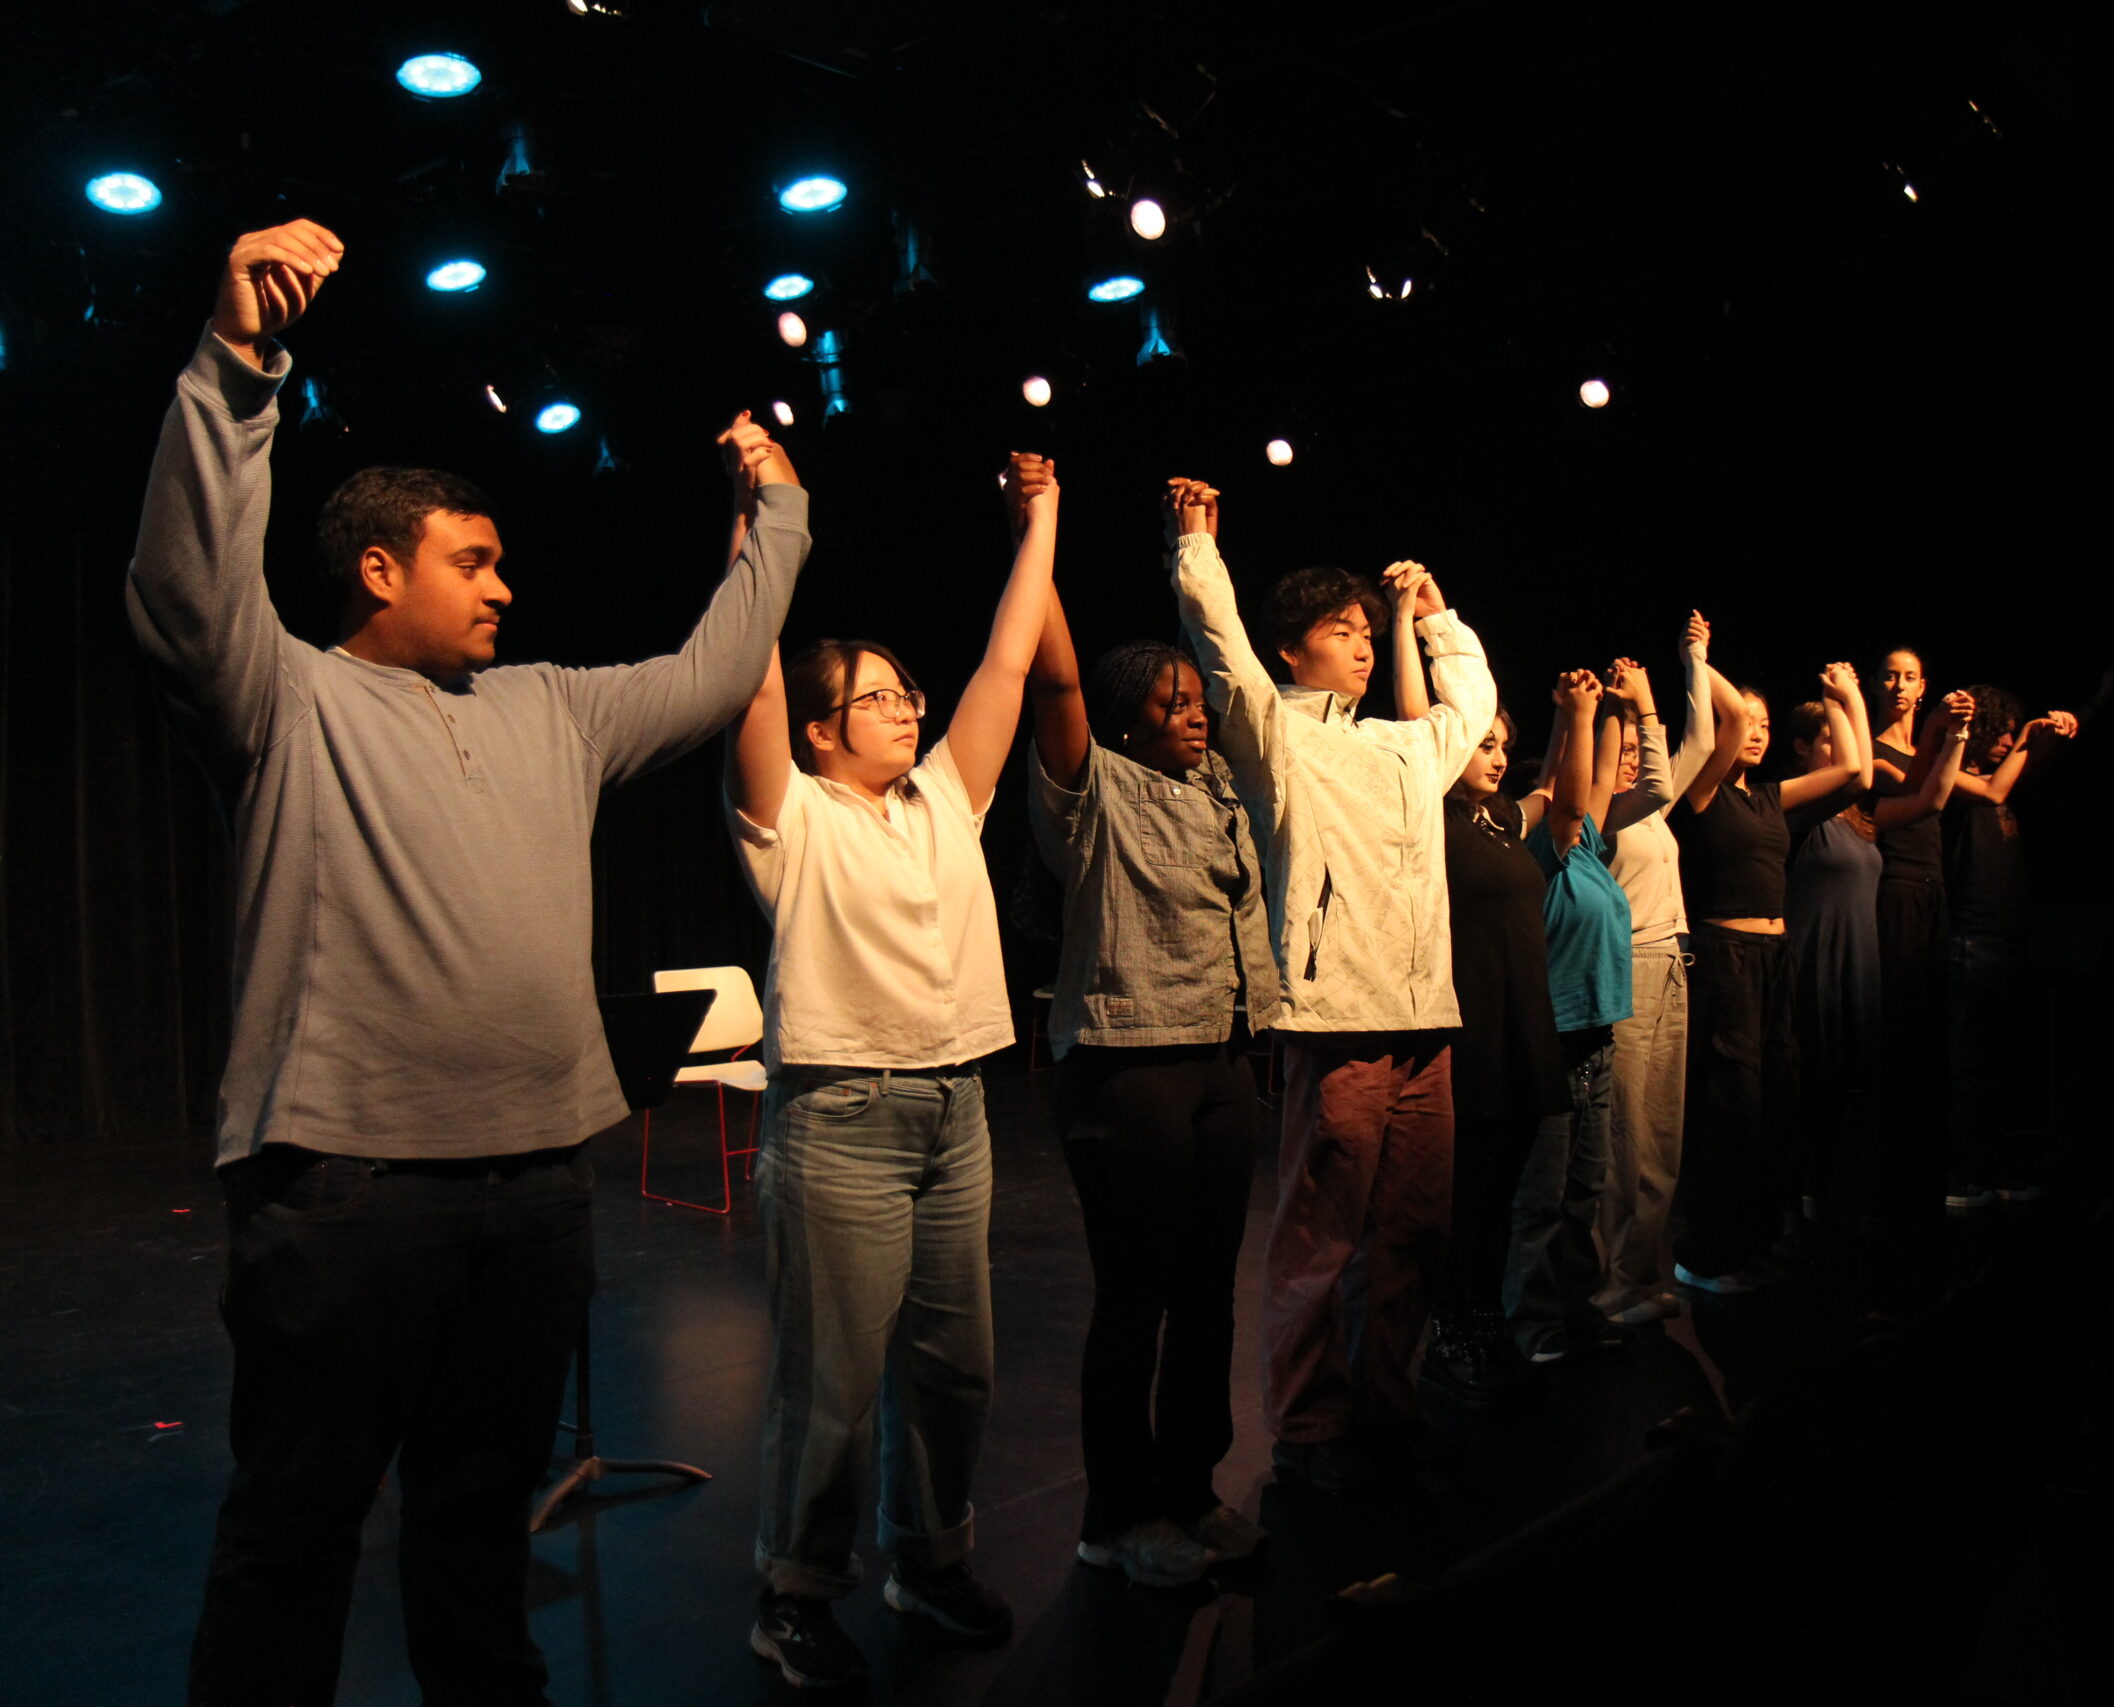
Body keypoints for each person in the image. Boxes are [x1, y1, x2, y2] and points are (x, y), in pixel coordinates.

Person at [129, 222, 811, 1707]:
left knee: (478, 1528)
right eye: (473, 561)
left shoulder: (552, 708)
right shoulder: (286, 696)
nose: (504, 586)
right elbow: (188, 589)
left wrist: (779, 512)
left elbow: (708, 673)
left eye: (502, 561)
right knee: (296, 1529)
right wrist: (240, 365)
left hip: (536, 1185)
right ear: (378, 567)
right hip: (343, 1192)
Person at [722, 452, 1057, 1687]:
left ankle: (929, 1558)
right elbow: (746, 684)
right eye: (877, 699)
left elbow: (1006, 663)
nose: (909, 707)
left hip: (954, 1107)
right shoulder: (790, 815)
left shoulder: (943, 801)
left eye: (909, 691)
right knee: (834, 1387)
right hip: (840, 1120)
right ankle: (794, 1591)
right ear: (820, 731)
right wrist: (759, 521)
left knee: (954, 1368)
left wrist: (1042, 521)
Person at [1166, 476, 1497, 1490]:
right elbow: (1219, 649)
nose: (1359, 642)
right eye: (1338, 628)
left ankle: (1386, 1407)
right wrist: (1194, 548)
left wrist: (1435, 620)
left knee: (1408, 1234)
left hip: (1421, 1021)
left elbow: (1471, 707)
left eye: (1365, 628)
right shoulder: (1279, 740)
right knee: (1320, 1240)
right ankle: (1309, 1432)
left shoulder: (1402, 747)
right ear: (1291, 648)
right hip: (1335, 1019)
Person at [1019, 491, 1282, 1588]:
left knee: (1210, 1287)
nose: (1190, 713)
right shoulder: (1094, 789)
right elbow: (1059, 682)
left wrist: (1201, 555)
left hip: (1223, 1056)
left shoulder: (1221, 783)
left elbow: (1224, 678)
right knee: (1138, 1296)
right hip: (1128, 1067)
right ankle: (1115, 1516)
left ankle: (1189, 1487)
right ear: (1126, 717)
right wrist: (1037, 534)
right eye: (1167, 702)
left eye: (1192, 701)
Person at [1668, 650, 1871, 1295]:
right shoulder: (1702, 794)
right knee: (1730, 1106)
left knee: (1771, 1101)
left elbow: (1855, 770)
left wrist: (1845, 697)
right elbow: (1726, 716)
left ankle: (1749, 1242)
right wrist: (1696, 659)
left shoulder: (1769, 799)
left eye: (1763, 723)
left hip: (1772, 960)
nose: (1754, 729)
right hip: (1725, 957)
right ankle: (1703, 1255)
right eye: (1746, 722)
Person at [1421, 700, 1567, 1403]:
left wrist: (1571, 716)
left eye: (1504, 743)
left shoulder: (1499, 820)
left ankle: (1485, 1318)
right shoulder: (1433, 820)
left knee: (1503, 1192)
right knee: (1466, 1197)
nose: (1499, 756)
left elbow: (1558, 790)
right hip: (1472, 1032)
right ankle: (1449, 1333)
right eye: (1483, 743)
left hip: (1522, 1029)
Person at [1504, 668, 1640, 1361]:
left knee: (1587, 1184)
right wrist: (1578, 718)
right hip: (1554, 1040)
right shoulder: (1546, 850)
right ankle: (1531, 1321)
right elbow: (1563, 796)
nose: (1591, 800)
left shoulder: (1589, 852)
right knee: (1544, 1194)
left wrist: (1607, 708)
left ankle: (1575, 1301)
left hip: (1597, 1035)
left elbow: (1599, 777)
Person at [1592, 624, 1712, 1326]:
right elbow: (1665, 763)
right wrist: (1636, 708)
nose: (1639, 759)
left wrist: (1691, 660)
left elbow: (1696, 744)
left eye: (1642, 752)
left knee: (1663, 1134)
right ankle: (1608, 1284)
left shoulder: (1652, 807)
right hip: (1631, 970)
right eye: (1628, 752)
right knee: (1625, 1137)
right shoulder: (1604, 812)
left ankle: (1640, 1271)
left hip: (1673, 963)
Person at [1859, 652, 1975, 1294]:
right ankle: (1885, 1191)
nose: (1900, 684)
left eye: (1911, 676)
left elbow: (1973, 789)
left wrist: (1962, 734)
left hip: (1932, 893)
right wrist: (1942, 732)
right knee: (1897, 1035)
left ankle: (1922, 1181)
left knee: (1930, 1036)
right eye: (1891, 675)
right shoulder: (1873, 752)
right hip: (1896, 890)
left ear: (1923, 684)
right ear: (1880, 685)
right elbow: (1926, 797)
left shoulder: (1926, 747)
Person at [1938, 687, 2077, 1209]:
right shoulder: (1955, 781)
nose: (2004, 741)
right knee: (1970, 1067)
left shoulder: (2004, 778)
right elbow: (1995, 787)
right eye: (1997, 730)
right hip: (1971, 941)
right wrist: (2024, 741)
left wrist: (2057, 729)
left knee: (1999, 1068)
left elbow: (2029, 767)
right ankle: (1960, 1175)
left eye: (2008, 732)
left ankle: (1992, 1169)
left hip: (2004, 940)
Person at [1779, 666, 1879, 1233]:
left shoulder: (1856, 820)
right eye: (1825, 738)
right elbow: (1858, 773)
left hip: (1859, 961)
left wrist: (1844, 702)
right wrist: (1847, 700)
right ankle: (1806, 1194)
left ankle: (1843, 1191)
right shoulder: (1799, 811)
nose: (1836, 748)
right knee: (1814, 1086)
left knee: (1856, 1087)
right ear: (1802, 749)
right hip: (1816, 961)